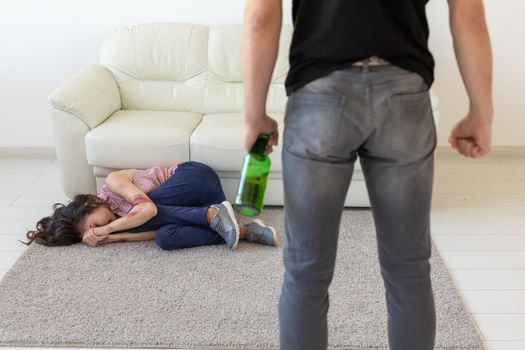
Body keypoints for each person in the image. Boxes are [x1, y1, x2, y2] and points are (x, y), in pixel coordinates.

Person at [242, 0, 493, 349]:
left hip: (319, 96)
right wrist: (480, 113)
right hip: (403, 95)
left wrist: (254, 116)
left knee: (305, 272)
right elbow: (469, 16)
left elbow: (260, 16)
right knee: (409, 270)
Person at [25, 161, 282, 250]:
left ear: (92, 204)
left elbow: (149, 211)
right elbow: (153, 228)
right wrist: (118, 238)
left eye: (95, 224)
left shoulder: (113, 183)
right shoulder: (117, 223)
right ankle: (245, 231)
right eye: (94, 231)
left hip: (196, 178)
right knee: (163, 238)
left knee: (147, 211)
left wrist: (109, 230)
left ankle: (212, 215)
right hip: (201, 203)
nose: (103, 227)